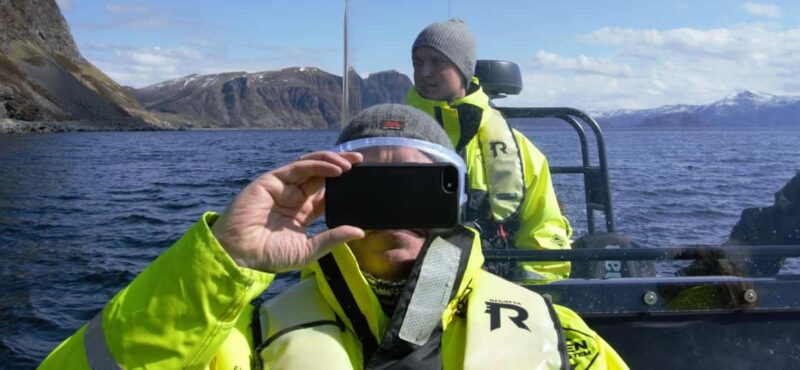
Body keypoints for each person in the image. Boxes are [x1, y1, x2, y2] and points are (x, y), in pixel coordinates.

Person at [39, 104, 626, 369]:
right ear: (326, 195)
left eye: (419, 183)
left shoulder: (560, 337)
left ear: (454, 197)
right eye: (370, 182)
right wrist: (225, 260)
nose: (395, 204)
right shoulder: (242, 343)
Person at [406, 18, 573, 281]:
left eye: (437, 62)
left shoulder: (522, 152)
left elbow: (542, 229)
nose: (424, 72)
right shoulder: (390, 140)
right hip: (405, 288)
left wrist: (536, 298)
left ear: (463, 69)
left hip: (495, 294)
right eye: (418, 62)